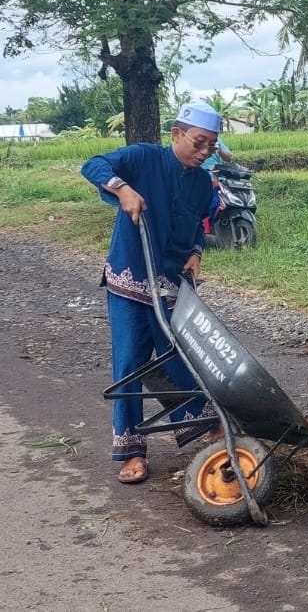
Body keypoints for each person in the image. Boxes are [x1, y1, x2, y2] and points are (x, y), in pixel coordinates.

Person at [81, 102, 224, 484]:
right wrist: (122, 189)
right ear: (176, 134)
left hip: (170, 285)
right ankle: (131, 451)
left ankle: (205, 423)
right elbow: (93, 164)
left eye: (211, 145)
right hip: (130, 279)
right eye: (199, 142)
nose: (205, 151)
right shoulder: (143, 158)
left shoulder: (201, 183)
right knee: (130, 362)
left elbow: (197, 223)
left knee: (178, 356)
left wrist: (195, 252)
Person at [200, 136, 234, 230]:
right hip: (203, 179)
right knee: (213, 203)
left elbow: (229, 158)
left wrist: (220, 151)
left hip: (219, 179)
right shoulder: (196, 139)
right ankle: (208, 227)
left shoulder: (217, 139)